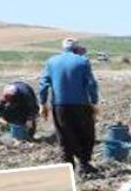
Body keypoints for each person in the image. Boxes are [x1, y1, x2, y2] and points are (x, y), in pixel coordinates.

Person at [39, 37, 100, 175]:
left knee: (64, 135)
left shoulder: (51, 62)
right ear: (76, 48)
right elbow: (91, 84)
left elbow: (43, 84)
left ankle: (68, 168)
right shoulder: (83, 61)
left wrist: (43, 103)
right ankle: (84, 165)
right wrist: (94, 102)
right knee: (86, 134)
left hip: (60, 105)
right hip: (81, 104)